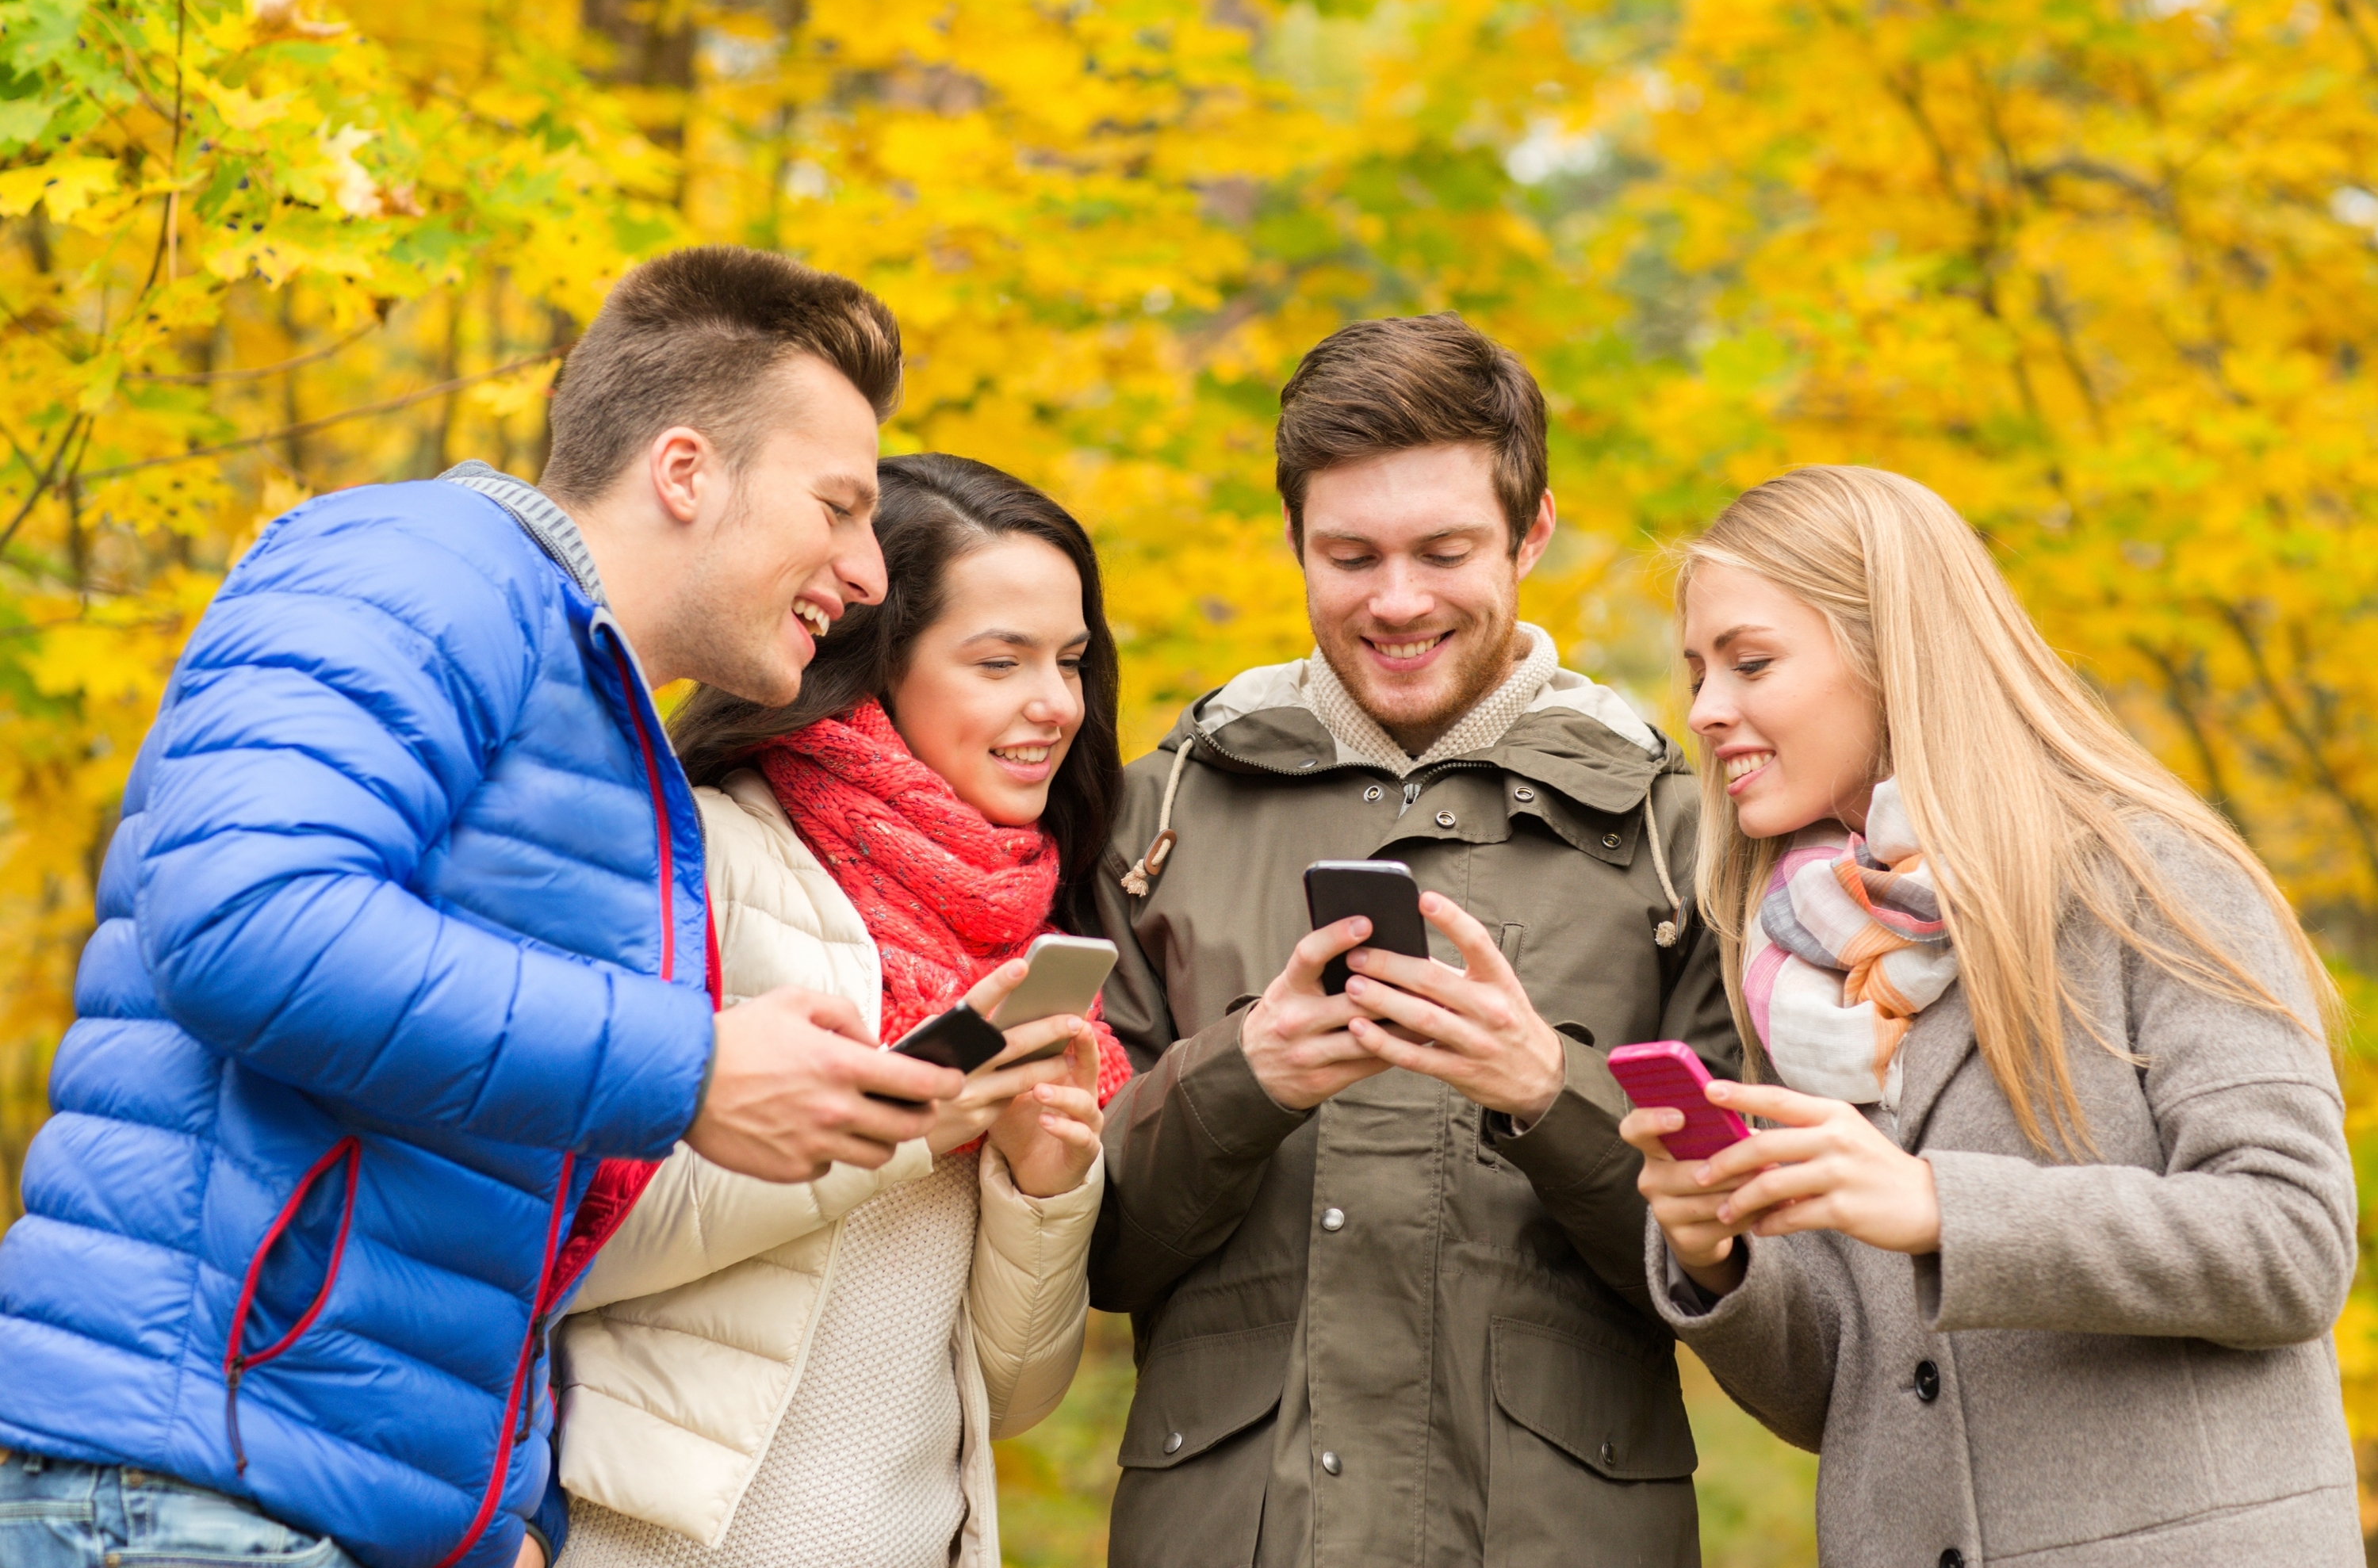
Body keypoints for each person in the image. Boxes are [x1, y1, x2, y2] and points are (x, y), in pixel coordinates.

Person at [0, 247, 978, 1568]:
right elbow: (246, 918)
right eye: (840, 506)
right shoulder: (414, 563)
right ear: (685, 472)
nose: (867, 571)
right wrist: (688, 1063)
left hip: (327, 1508)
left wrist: (503, 1511)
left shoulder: (609, 733)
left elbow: (452, 1175)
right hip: (187, 1493)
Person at [1075, 312, 1739, 1568]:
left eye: (1444, 551)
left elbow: (1735, 1266)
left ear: (1533, 530)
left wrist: (1549, 1091)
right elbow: (1085, 1249)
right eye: (1350, 555)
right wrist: (1245, 1077)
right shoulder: (1156, 813)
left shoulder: (1681, 834)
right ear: (1294, 543)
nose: (1396, 602)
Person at [1622, 465, 2360, 1566]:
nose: (1705, 710)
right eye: (1696, 673)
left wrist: (1938, 1205)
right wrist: (1717, 1255)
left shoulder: (2148, 878)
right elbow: (1842, 1392)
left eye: (1751, 663)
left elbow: (2292, 1243)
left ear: (1893, 650)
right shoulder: (1800, 964)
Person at [554, 453, 1132, 1568]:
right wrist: (903, 1123)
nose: (1055, 704)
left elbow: (1007, 1400)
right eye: (999, 661)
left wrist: (1042, 1188)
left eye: (1070, 661)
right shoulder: (699, 859)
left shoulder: (1025, 932)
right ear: (878, 666)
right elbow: (575, 1242)